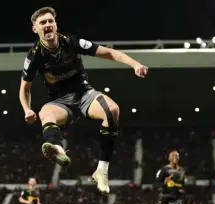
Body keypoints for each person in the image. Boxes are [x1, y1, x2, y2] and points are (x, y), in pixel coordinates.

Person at [19, 7, 148, 193]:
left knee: (113, 110)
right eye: (42, 22)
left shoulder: (71, 42)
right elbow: (24, 89)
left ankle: (102, 171)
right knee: (45, 112)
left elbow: (109, 53)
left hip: (85, 95)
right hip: (60, 103)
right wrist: (26, 109)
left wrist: (135, 64)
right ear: (35, 29)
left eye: (50, 21)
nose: (47, 25)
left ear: (55, 25)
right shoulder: (34, 56)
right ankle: (57, 148)